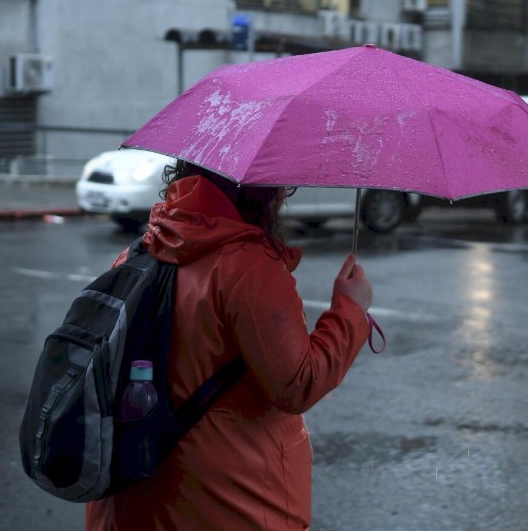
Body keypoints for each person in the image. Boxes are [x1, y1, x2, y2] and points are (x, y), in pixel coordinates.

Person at [85, 161, 374, 530]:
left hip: (132, 494)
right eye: (280, 186)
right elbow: (298, 382)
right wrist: (350, 309)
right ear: (263, 192)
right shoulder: (248, 266)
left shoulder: (139, 251)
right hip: (228, 501)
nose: (284, 195)